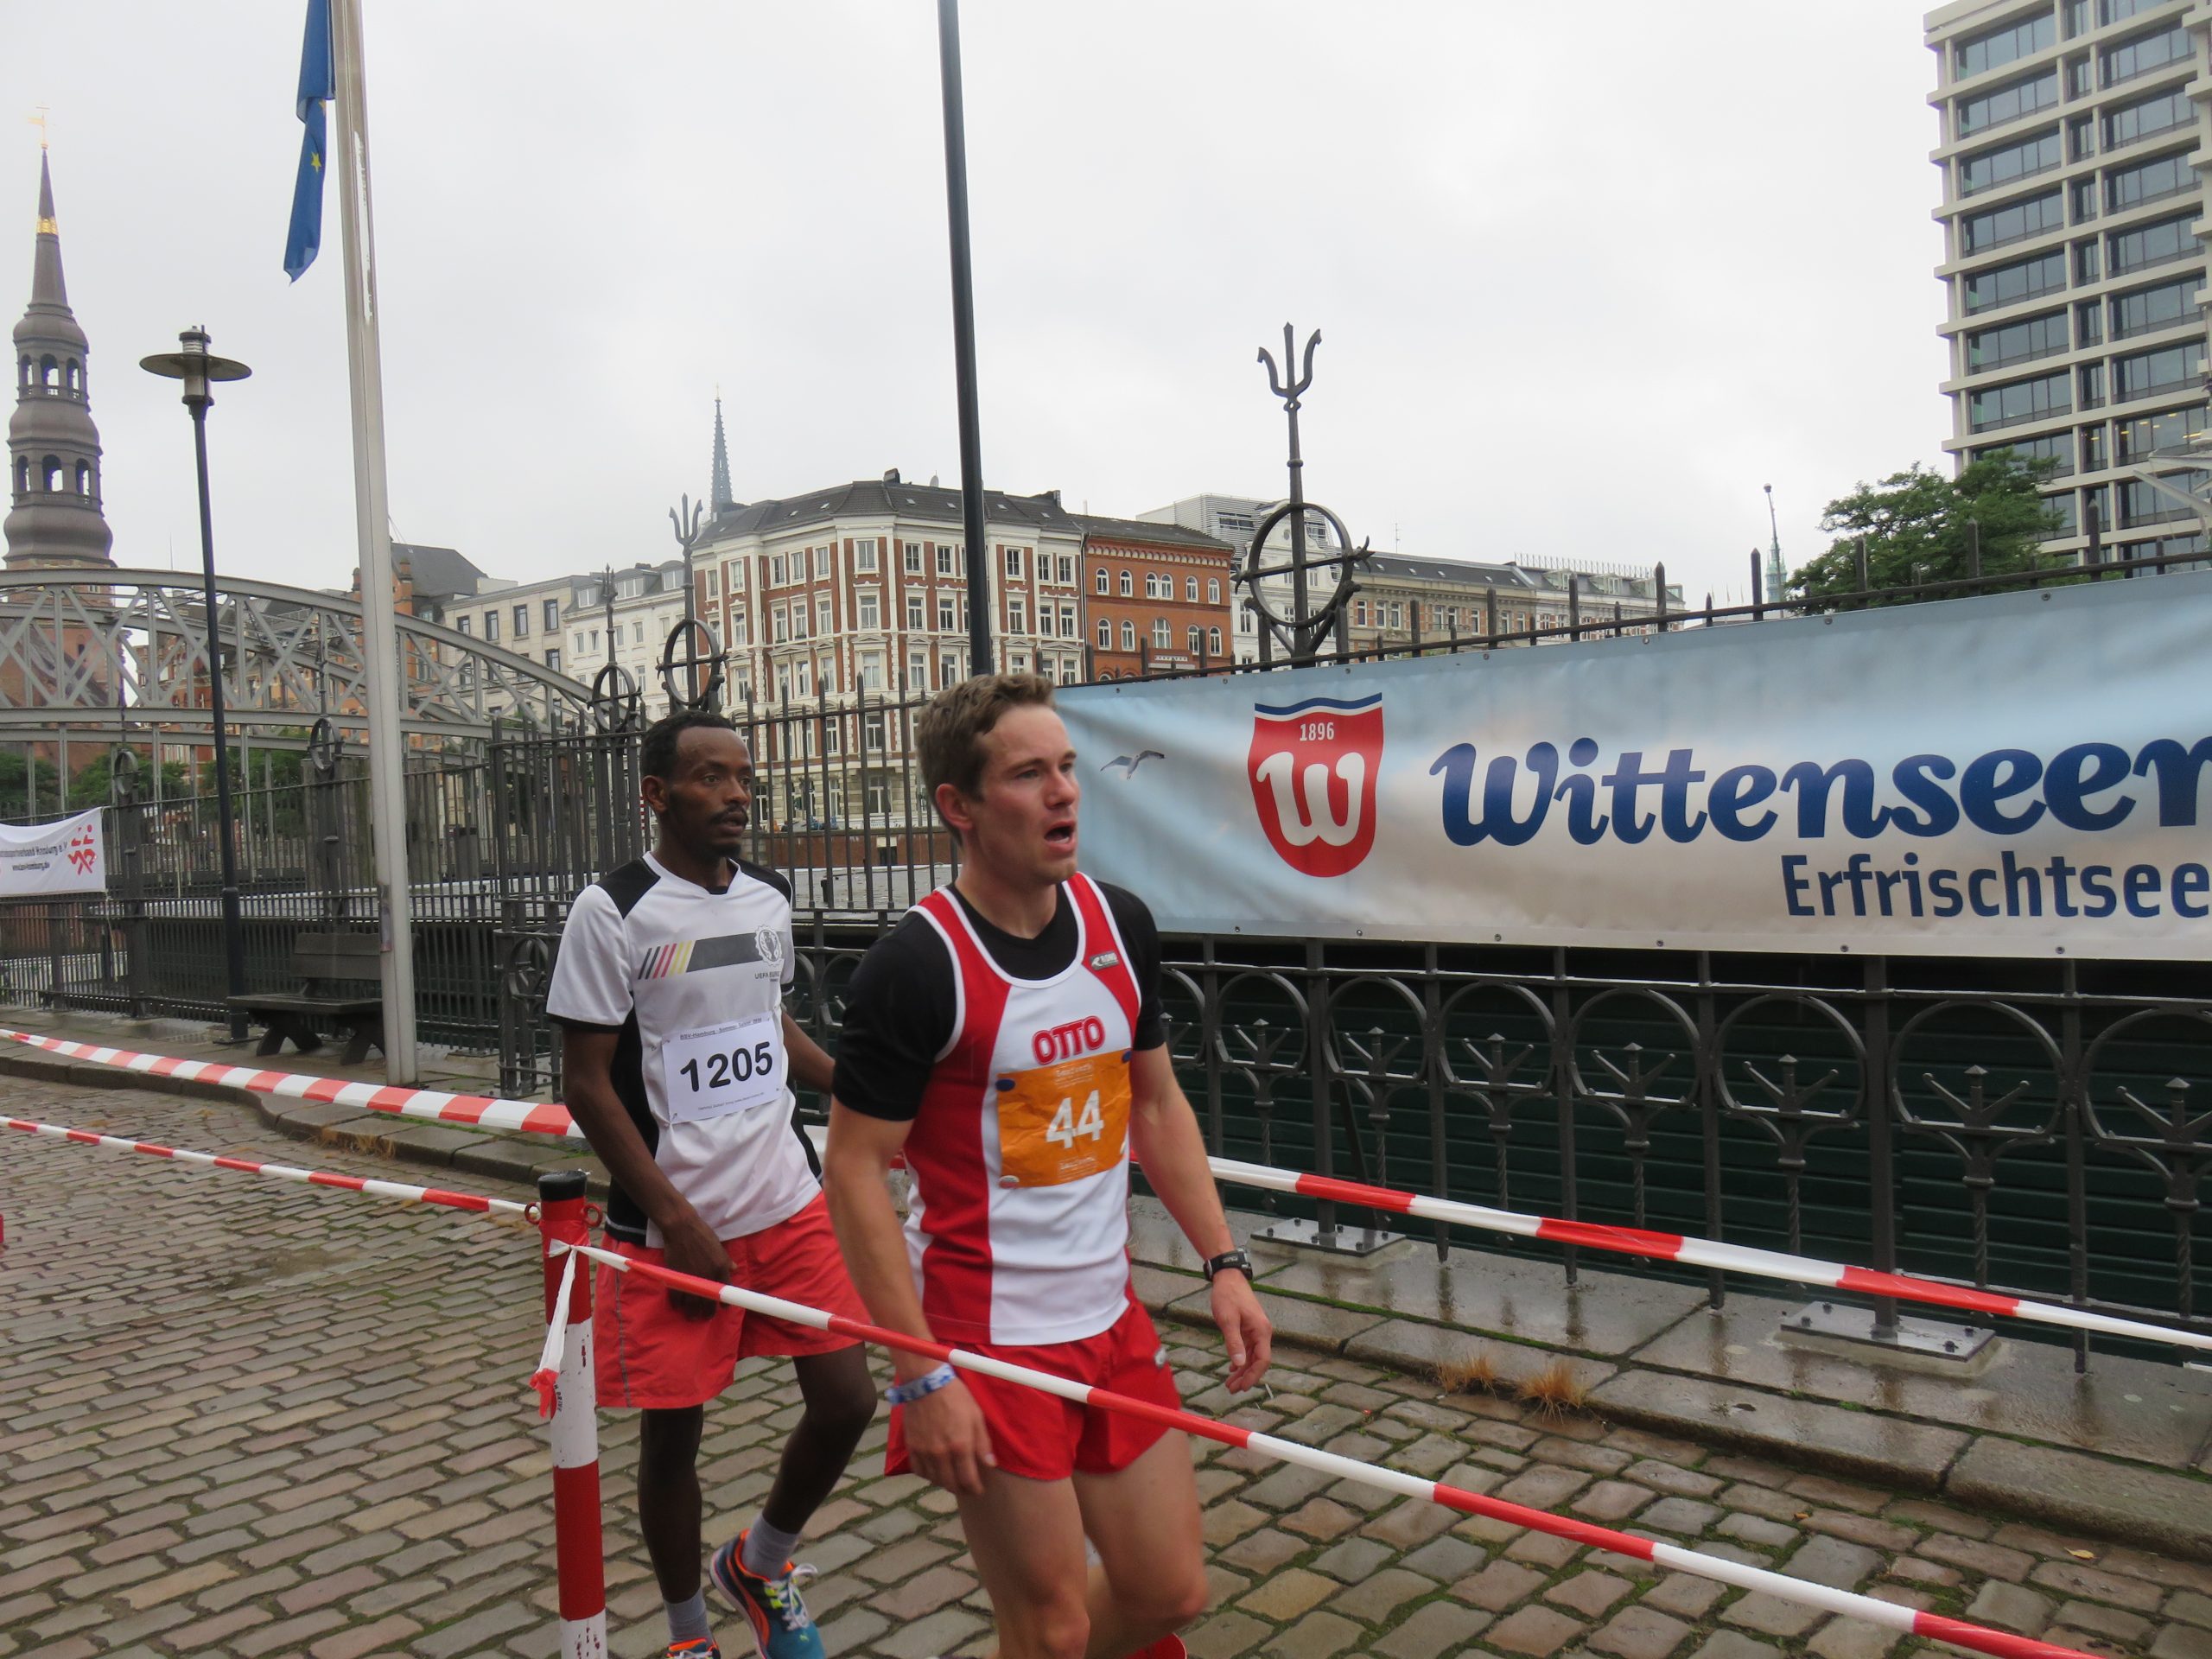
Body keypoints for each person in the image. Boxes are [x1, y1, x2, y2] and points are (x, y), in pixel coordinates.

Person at [823, 672, 1273, 1659]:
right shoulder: (915, 967)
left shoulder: (1120, 925)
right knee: (1052, 1631)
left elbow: (1154, 1104)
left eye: (1068, 766)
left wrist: (1224, 1263)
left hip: (1109, 1322)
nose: (1066, 792)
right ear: (961, 807)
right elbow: (854, 1171)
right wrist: (918, 1372)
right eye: (1030, 774)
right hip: (988, 1340)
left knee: (1169, 1589)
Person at [547, 708, 875, 1659]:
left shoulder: (768, 897)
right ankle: (689, 1635)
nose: (736, 794)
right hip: (672, 1224)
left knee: (848, 1398)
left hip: (784, 1197)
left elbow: (768, 1027)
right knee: (672, 1442)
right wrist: (673, 1216)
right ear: (655, 794)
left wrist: (859, 1085)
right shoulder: (610, 910)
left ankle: (761, 1564)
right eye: (710, 778)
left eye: (742, 776)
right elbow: (585, 1084)